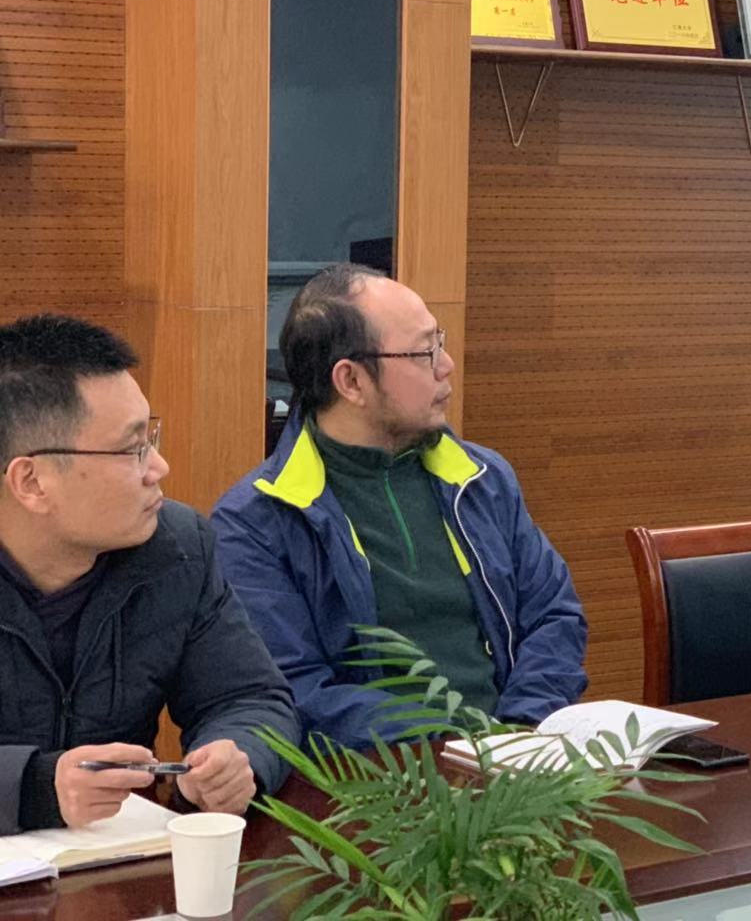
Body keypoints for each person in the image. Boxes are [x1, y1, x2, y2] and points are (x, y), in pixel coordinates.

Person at [212, 264, 587, 750]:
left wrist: (517, 732)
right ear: (351, 381)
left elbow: (554, 615)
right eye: (424, 351)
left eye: (439, 342)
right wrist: (449, 749)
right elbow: (294, 689)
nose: (446, 365)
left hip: (517, 757)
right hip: (382, 777)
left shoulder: (482, 478)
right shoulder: (255, 522)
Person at [0, 315, 298, 835]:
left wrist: (236, 757)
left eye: (150, 438)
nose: (159, 467)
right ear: (32, 482)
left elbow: (250, 697)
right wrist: (33, 786)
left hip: (121, 861)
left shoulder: (176, 548)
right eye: (131, 449)